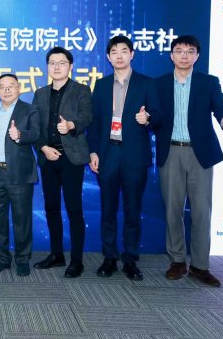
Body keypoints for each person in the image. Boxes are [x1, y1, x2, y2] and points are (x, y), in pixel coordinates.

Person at [155, 35, 223, 287]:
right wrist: (146, 120)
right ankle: (177, 261)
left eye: (190, 51)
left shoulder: (208, 82)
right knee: (173, 210)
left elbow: (221, 106)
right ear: (171, 55)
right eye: (179, 50)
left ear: (197, 56)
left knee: (201, 211)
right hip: (171, 152)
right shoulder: (159, 84)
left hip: (200, 153)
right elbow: (155, 117)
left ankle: (200, 265)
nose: (184, 55)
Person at [88, 35, 161, 281]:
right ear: (108, 57)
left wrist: (148, 119)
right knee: (107, 209)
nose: (119, 55)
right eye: (114, 52)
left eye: (123, 51)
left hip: (134, 156)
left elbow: (159, 116)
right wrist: (93, 151)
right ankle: (109, 257)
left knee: (132, 209)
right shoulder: (101, 85)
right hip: (108, 153)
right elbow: (95, 121)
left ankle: (130, 259)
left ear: (132, 54)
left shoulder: (147, 83)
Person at [32, 47, 92, 278]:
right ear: (47, 67)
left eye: (62, 63)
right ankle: (56, 255)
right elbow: (35, 127)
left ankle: (77, 260)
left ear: (70, 66)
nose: (56, 67)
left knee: (74, 209)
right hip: (48, 157)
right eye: (52, 63)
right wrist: (43, 148)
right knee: (51, 208)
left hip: (71, 158)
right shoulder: (40, 93)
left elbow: (87, 117)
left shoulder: (81, 90)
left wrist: (71, 125)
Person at [0, 73, 39, 277]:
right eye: (2, 86)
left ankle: (22, 259)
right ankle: (2, 258)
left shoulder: (30, 110)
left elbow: (36, 134)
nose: (6, 90)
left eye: (11, 86)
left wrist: (20, 135)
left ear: (19, 89)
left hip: (19, 173)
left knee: (22, 218)